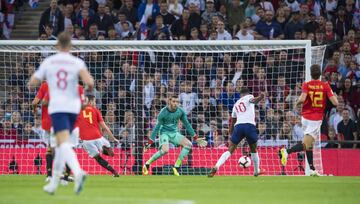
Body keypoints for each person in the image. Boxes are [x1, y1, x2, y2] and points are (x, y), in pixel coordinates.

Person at [28, 32, 94, 195]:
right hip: (73, 108)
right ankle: (53, 184)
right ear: (70, 46)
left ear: (57, 45)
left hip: (58, 107)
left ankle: (78, 172)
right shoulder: (76, 62)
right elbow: (90, 83)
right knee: (59, 144)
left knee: (62, 144)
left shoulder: (49, 61)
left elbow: (32, 83)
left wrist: (42, 80)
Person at [279, 64, 338, 176]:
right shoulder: (325, 85)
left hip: (305, 117)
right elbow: (335, 103)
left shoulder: (306, 85)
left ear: (310, 74)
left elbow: (302, 99)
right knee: (306, 144)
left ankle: (312, 169)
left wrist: (296, 104)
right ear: (320, 74)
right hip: (315, 118)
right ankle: (286, 151)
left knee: (310, 144)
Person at [142, 95, 207, 176]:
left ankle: (176, 167)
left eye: (177, 102)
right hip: (164, 133)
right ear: (169, 102)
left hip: (174, 133)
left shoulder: (180, 111)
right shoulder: (163, 113)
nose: (176, 103)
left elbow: (187, 124)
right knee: (165, 150)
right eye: (174, 101)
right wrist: (150, 142)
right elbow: (156, 128)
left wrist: (195, 137)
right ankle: (147, 164)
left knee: (188, 144)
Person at [208, 87, 265, 177]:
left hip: (238, 127)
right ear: (247, 93)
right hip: (249, 126)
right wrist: (260, 97)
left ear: (240, 94)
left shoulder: (236, 104)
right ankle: (256, 170)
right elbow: (253, 101)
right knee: (254, 149)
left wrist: (231, 133)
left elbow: (233, 121)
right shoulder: (248, 97)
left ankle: (216, 166)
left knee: (230, 150)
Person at [77, 93, 120, 177]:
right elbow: (105, 127)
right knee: (111, 154)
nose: (95, 104)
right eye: (94, 102)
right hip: (97, 136)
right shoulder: (95, 110)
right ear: (89, 102)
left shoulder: (79, 111)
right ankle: (105, 149)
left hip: (86, 139)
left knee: (98, 158)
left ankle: (114, 171)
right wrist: (113, 138)